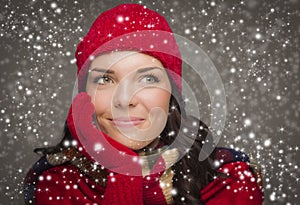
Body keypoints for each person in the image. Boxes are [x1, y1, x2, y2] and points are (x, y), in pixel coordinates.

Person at [23, 3, 264, 205]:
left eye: (148, 79)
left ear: (171, 92)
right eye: (105, 79)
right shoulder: (57, 184)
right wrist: (122, 171)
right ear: (84, 95)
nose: (125, 100)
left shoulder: (231, 179)